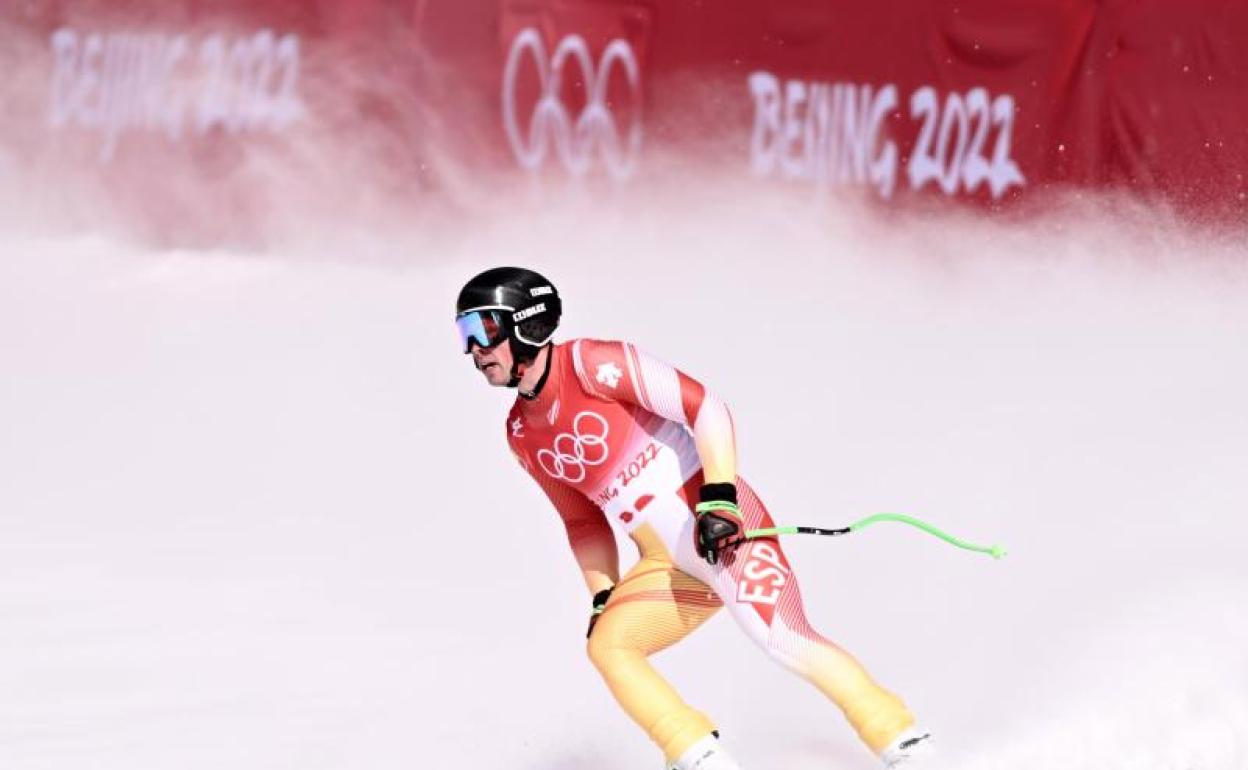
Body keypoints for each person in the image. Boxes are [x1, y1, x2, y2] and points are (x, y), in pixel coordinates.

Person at [455, 266, 931, 770]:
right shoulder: (520, 435)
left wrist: (720, 500)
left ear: (527, 324)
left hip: (723, 528)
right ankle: (697, 756)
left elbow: (706, 408)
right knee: (608, 647)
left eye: (482, 331)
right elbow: (582, 522)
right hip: (667, 564)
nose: (473, 351)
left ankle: (903, 739)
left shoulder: (595, 364)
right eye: (464, 336)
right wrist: (602, 595)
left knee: (783, 637)